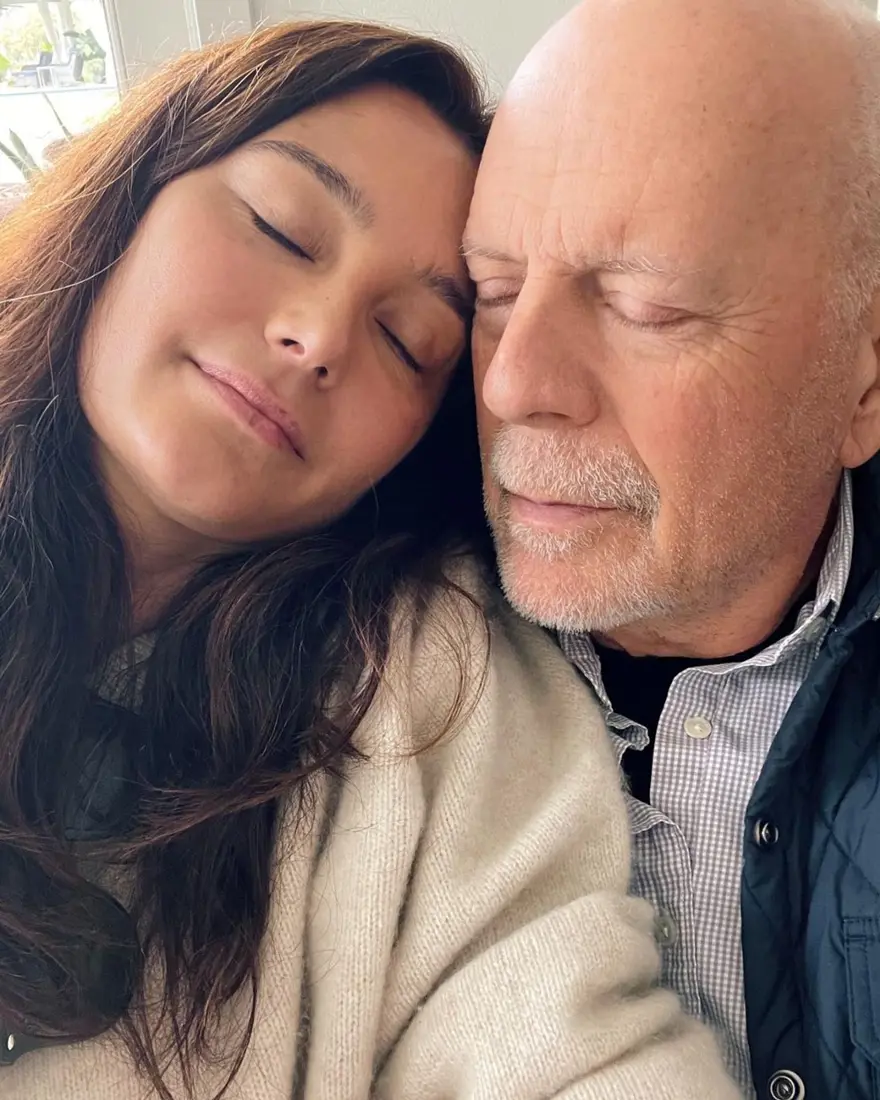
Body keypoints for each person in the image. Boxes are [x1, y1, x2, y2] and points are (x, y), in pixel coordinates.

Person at [0, 18, 738, 1100]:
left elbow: (560, 1031)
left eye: (409, 341)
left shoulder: (428, 688)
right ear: (134, 187)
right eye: (281, 227)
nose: (318, 336)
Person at [466, 0, 880, 1096]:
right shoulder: (351, 669)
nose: (513, 384)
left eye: (646, 308)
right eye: (490, 294)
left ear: (867, 374)